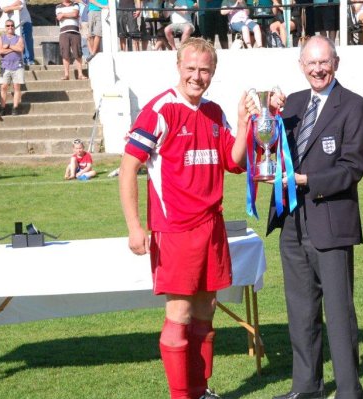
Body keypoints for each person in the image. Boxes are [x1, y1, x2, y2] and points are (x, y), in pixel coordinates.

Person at [119, 37, 256, 399]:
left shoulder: (213, 112)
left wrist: (243, 124)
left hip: (212, 227)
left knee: (205, 309)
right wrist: (135, 227)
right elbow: (128, 168)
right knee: (179, 313)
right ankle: (182, 395)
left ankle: (200, 389)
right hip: (175, 230)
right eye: (191, 69)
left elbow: (235, 161)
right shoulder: (160, 110)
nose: (197, 76)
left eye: (205, 70)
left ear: (213, 72)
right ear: (179, 67)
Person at [266, 35, 363, 399]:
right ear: (301, 66)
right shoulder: (292, 103)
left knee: (339, 314)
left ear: (336, 63)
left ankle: (348, 391)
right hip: (292, 222)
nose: (318, 69)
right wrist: (268, 114)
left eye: (324, 62)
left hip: (332, 221)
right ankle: (307, 387)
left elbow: (353, 167)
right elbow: (271, 145)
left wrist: (307, 180)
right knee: (300, 310)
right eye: (311, 63)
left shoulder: (355, 105)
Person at [0, 18, 24, 116]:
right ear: (5, 27)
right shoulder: (0, 38)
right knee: (4, 87)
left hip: (17, 65)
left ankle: (15, 107)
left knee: (16, 87)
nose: (10, 27)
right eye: (8, 25)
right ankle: (2, 107)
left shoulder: (19, 38)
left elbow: (20, 49)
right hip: (5, 66)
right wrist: (14, 48)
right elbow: (0, 51)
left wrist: (8, 46)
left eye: (12, 25)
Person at [0, 0, 36, 65]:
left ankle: (29, 60)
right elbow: (4, 9)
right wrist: (14, 7)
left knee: (27, 41)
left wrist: (9, 7)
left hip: (25, 21)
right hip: (13, 23)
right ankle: (20, 60)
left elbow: (20, 3)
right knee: (16, 41)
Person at [56, 0, 86, 80]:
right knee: (65, 54)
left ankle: (80, 74)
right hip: (63, 32)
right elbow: (59, 17)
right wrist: (70, 14)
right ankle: (66, 75)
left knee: (78, 53)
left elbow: (75, 14)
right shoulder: (58, 7)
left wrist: (64, 14)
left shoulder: (75, 4)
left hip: (75, 32)